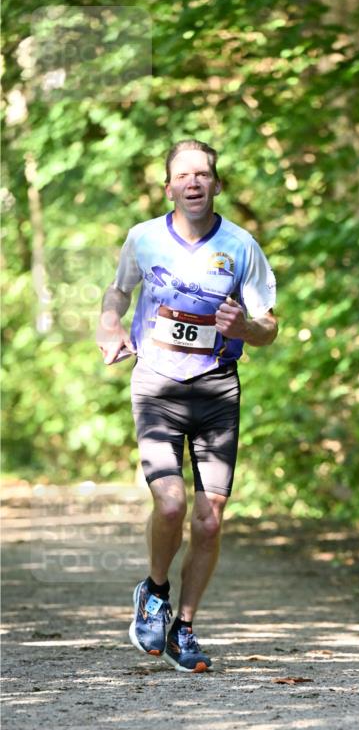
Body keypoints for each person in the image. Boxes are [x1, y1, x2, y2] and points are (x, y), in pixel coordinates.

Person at [97, 139, 278, 673]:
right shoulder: (143, 238)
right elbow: (118, 291)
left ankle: (186, 628)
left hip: (218, 389)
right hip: (156, 382)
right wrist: (109, 325)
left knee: (210, 519)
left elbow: (269, 325)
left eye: (204, 174)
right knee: (171, 504)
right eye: (184, 175)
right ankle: (154, 592)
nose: (194, 183)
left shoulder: (242, 246)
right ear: (169, 187)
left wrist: (247, 327)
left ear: (217, 185)